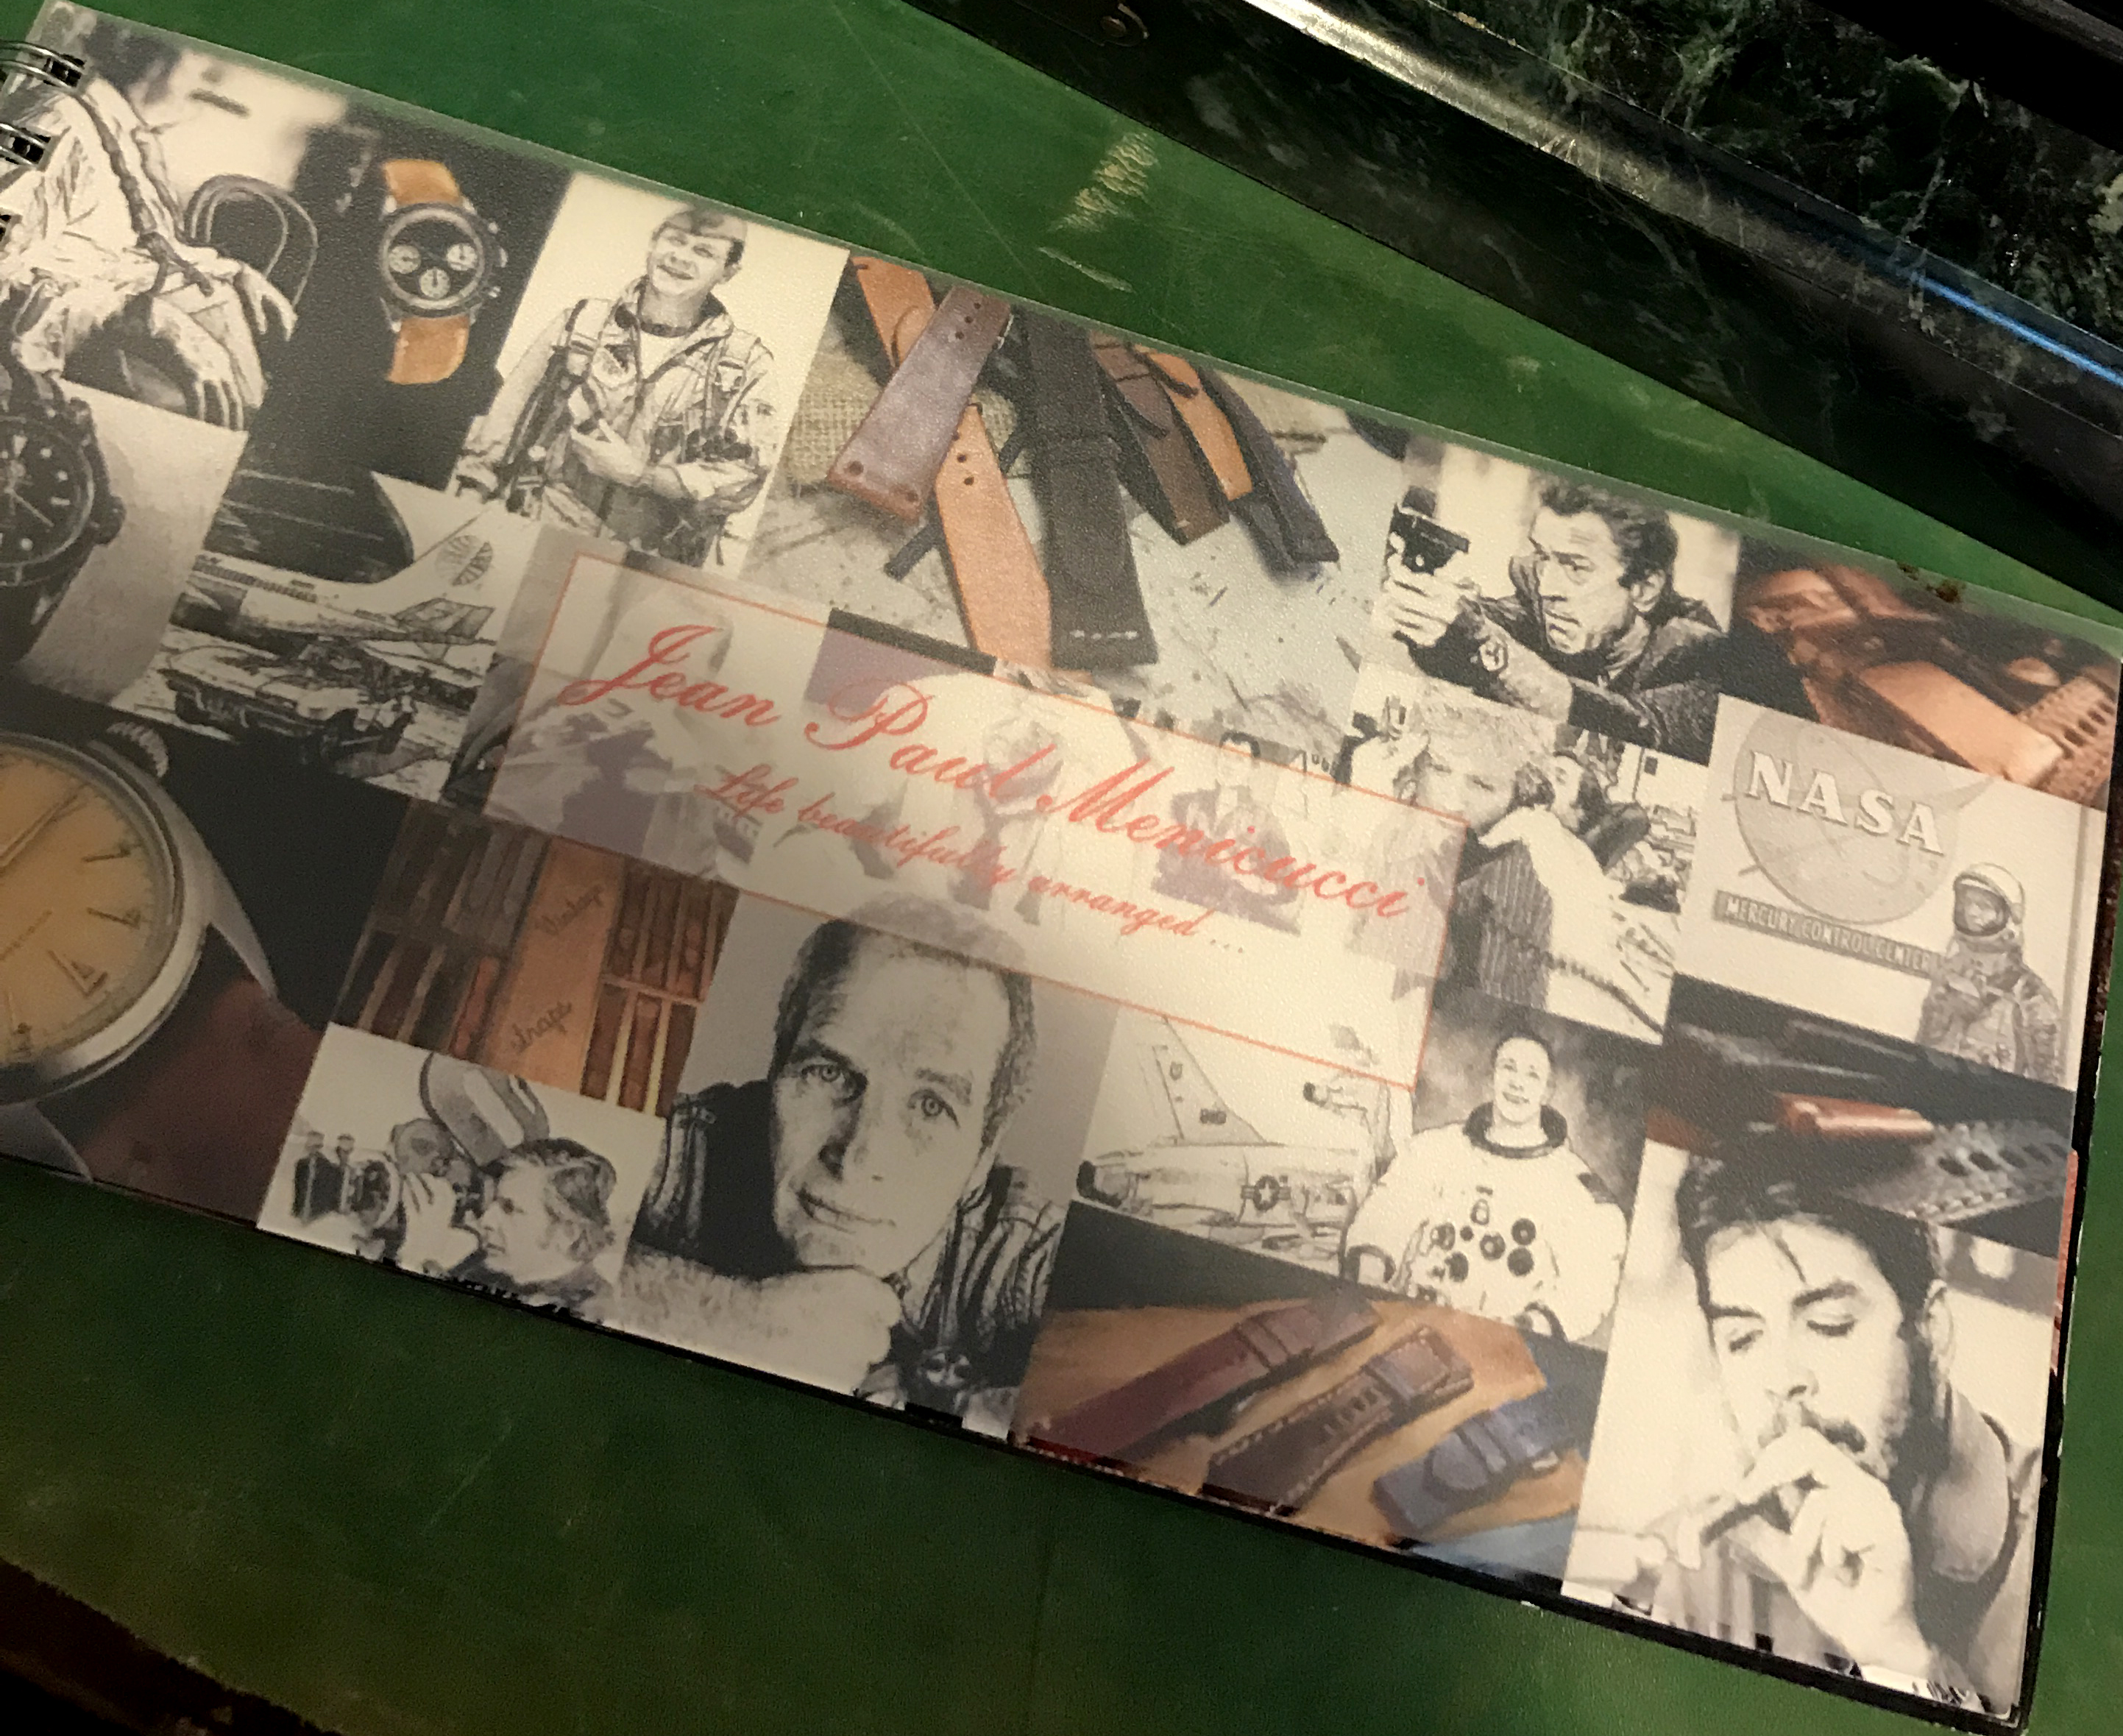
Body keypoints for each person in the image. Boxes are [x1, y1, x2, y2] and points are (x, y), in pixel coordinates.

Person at [1578, 1149, 2038, 1713]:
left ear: (1932, 1333)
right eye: (1742, 1339)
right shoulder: (1708, 1562)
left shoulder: (2060, 1543)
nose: (1781, 1378)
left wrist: (1896, 1653)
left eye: (1828, 1325)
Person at [619, 904, 1062, 1425]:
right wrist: (720, 1312)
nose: (857, 1156)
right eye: (828, 1073)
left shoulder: (1022, 1254)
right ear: (776, 1071)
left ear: (983, 1156)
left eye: (930, 1105)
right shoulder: (686, 1147)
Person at [0, 25, 297, 425]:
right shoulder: (55, 123)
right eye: (201, 51)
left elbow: (123, 255)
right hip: (53, 397)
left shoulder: (126, 134)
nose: (215, 74)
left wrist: (229, 271)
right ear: (134, 44)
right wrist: (150, 319)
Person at [453, 205, 777, 565]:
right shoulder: (582, 324)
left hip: (643, 563)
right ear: (653, 244)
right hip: (537, 530)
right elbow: (505, 420)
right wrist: (469, 499)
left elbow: (744, 474)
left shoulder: (744, 363)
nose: (680, 258)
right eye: (674, 240)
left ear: (728, 272)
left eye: (703, 252)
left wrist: (644, 477)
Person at [1344, 680, 1663, 1037]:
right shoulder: (1410, 827)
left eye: (1483, 785)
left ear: (1522, 794)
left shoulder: (1522, 864)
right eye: (1440, 768)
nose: (1451, 800)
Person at [1378, 475, 1723, 760]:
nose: (1547, 588)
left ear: (1644, 589)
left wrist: (1483, 641)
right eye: (1543, 557)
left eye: (1576, 568)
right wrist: (1432, 607)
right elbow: (1488, 621)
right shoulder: (1538, 603)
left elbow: (1636, 726)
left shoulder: (1698, 659)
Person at [1341, 1031, 1626, 1342]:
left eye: (1532, 1075)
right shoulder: (1437, 1149)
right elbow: (1387, 1209)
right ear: (1492, 1079)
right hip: (1417, 1326)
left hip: (1502, 1344)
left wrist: (1531, 1326)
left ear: (1547, 1091)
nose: (1517, 1083)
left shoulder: (1571, 1183)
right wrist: (1370, 1275)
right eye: (1508, 1068)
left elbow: (1591, 1280)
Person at [397, 1135, 621, 1322]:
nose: (487, 1220)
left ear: (568, 1233)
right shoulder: (490, 1270)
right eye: (494, 1203)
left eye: (510, 1209)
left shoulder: (591, 1314)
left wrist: (415, 1260)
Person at [1915, 865, 2062, 1085]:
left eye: (1983, 906)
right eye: (1967, 903)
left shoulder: (2029, 994)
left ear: (2008, 916)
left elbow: (2046, 1080)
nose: (1972, 912)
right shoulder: (1948, 976)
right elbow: (1924, 1045)